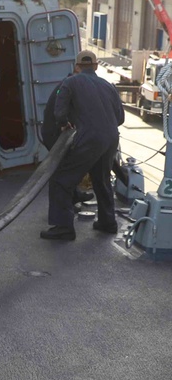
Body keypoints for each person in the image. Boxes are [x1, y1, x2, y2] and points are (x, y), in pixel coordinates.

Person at [41, 50, 124, 240]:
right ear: (95, 66)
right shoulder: (109, 86)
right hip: (111, 138)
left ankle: (63, 227)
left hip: (89, 138)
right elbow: (120, 118)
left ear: (77, 66)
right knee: (102, 179)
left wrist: (64, 124)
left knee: (61, 179)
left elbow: (59, 112)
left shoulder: (69, 82)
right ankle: (107, 222)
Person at [41, 75, 94, 206]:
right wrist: (64, 123)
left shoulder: (66, 85)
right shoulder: (66, 88)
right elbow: (60, 112)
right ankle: (63, 204)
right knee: (62, 170)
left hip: (55, 132)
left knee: (67, 166)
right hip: (54, 134)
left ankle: (73, 196)